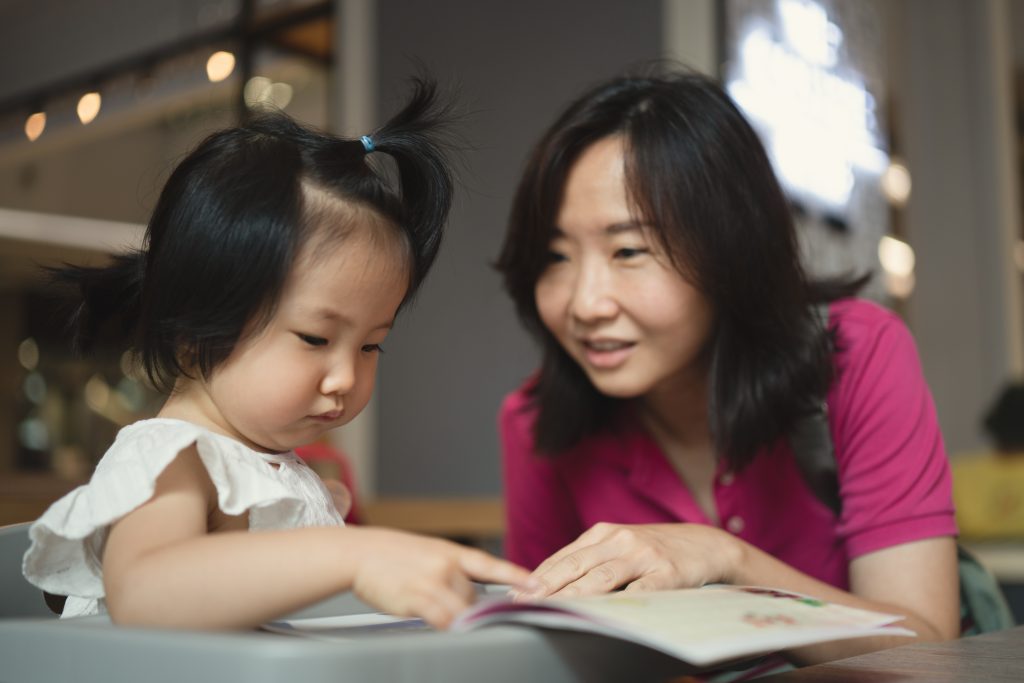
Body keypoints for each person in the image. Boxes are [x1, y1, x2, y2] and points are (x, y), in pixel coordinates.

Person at [23, 78, 529, 631]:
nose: (344, 376)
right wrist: (351, 556)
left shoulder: (265, 465)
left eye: (370, 344)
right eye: (315, 338)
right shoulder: (169, 460)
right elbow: (144, 594)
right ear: (193, 329)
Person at [495, 67, 960, 666]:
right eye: (555, 257)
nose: (585, 303)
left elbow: (927, 649)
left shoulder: (857, 355)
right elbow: (548, 652)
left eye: (628, 251)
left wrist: (727, 560)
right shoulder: (536, 423)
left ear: (728, 249)